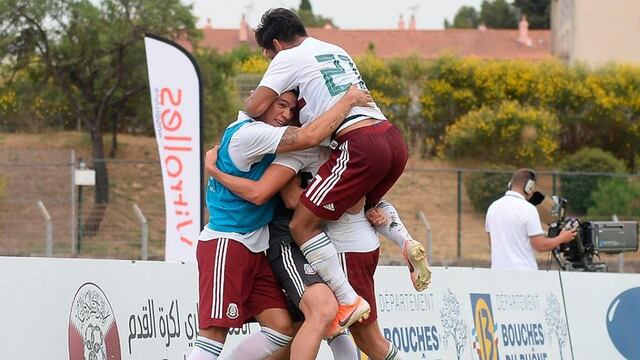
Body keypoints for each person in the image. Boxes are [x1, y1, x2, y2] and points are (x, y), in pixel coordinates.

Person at [246, 8, 429, 335]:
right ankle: (404, 240)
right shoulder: (335, 48)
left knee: (302, 223)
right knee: (367, 206)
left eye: (267, 55)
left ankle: (346, 298)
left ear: (276, 44)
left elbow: (255, 106)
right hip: (391, 139)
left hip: (358, 143)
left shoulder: (289, 57)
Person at [189, 86, 372, 360]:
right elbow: (263, 192)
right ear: (260, 99)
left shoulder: (271, 141)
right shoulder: (250, 133)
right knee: (213, 337)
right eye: (280, 105)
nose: (286, 115)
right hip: (227, 243)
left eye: (291, 109)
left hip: (255, 248)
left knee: (280, 330)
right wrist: (348, 100)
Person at [205, 144, 418, 359]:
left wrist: (370, 209)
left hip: (320, 245)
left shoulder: (339, 151)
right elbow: (290, 198)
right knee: (324, 314)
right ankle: (405, 241)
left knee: (320, 323)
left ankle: (404, 240)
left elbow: (359, 202)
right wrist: (340, 203)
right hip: (288, 243)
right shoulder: (296, 145)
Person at [485, 168, 577, 271]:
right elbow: (540, 246)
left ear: (510, 184)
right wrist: (562, 238)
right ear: (529, 186)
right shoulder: (528, 209)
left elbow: (492, 242)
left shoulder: (493, 207)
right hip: (523, 275)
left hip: (497, 273)